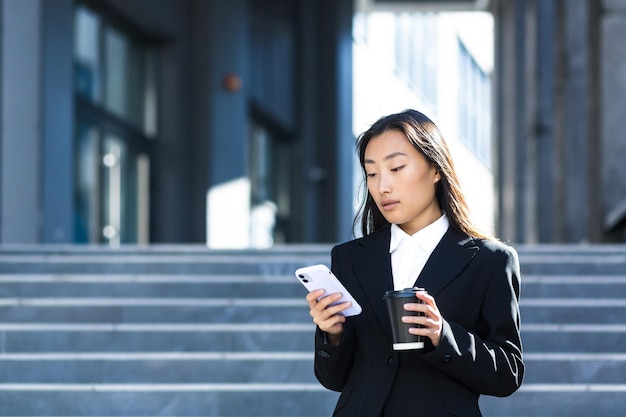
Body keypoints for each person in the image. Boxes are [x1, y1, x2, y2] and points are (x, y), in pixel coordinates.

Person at [306, 109, 523, 417]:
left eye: (396, 168)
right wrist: (333, 334)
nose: (382, 186)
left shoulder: (489, 260)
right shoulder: (349, 257)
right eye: (371, 173)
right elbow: (334, 378)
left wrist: (442, 335)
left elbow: (508, 374)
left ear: (435, 168)